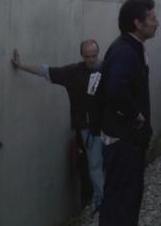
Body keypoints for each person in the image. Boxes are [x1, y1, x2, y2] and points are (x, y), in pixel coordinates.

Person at [11, 40, 104, 211]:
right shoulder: (73, 73)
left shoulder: (106, 69)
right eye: (88, 56)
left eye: (94, 55)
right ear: (82, 56)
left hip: (107, 124)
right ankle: (101, 200)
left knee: (103, 163)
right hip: (89, 128)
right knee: (95, 164)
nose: (91, 59)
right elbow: (46, 71)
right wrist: (21, 65)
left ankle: (106, 198)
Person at [98, 0, 159, 226]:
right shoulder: (125, 50)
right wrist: (136, 115)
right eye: (152, 19)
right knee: (122, 203)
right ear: (138, 23)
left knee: (124, 201)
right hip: (123, 141)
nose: (157, 23)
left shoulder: (130, 46)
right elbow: (116, 89)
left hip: (127, 140)